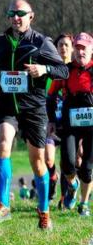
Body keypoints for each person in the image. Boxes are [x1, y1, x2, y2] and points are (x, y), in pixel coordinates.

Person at [0, 0, 68, 229]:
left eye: (21, 13)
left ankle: (44, 210)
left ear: (31, 16)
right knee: (3, 145)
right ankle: (3, 204)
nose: (16, 17)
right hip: (8, 106)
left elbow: (63, 70)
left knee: (37, 162)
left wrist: (44, 69)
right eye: (12, 13)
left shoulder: (42, 42)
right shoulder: (0, 42)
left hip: (34, 108)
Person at [50, 32, 93, 216]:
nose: (80, 51)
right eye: (78, 47)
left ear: (91, 50)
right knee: (67, 163)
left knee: (87, 168)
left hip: (91, 126)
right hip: (70, 124)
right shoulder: (65, 70)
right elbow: (50, 95)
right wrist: (51, 120)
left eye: (84, 48)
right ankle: (72, 184)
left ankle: (84, 203)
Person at [46, 33, 74, 205]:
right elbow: (46, 95)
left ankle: (65, 196)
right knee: (48, 158)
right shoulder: (51, 69)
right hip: (51, 121)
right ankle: (53, 177)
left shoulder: (76, 69)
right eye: (60, 45)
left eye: (66, 45)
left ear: (71, 47)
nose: (63, 48)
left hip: (69, 121)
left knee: (67, 159)